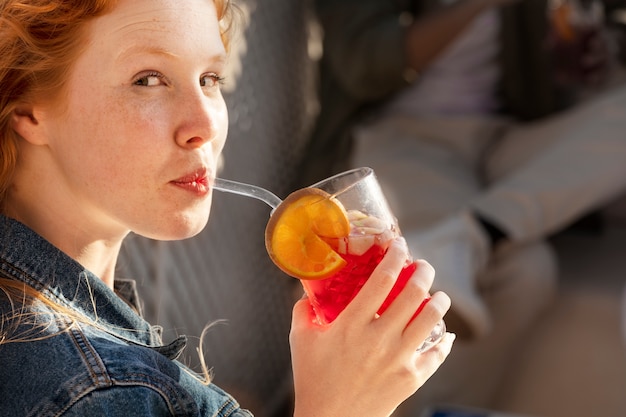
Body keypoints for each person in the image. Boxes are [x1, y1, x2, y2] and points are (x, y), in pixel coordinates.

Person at [0, 0, 455, 416]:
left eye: (210, 79)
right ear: (28, 108)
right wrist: (340, 407)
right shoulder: (102, 394)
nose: (204, 125)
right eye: (149, 80)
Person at [300, 0, 626, 413]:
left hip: (499, 136)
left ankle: (473, 232)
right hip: (408, 135)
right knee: (529, 271)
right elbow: (365, 63)